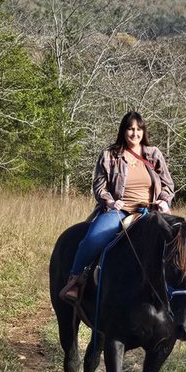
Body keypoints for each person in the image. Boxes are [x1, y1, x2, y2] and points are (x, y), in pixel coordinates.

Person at [58, 111, 175, 303]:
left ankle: (180, 292)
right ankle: (75, 280)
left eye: (138, 129)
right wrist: (111, 202)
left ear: (143, 131)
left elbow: (167, 184)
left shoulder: (153, 154)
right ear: (123, 131)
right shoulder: (109, 155)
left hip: (151, 212)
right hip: (120, 211)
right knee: (93, 238)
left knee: (181, 241)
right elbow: (99, 186)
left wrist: (164, 200)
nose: (135, 133)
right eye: (130, 129)